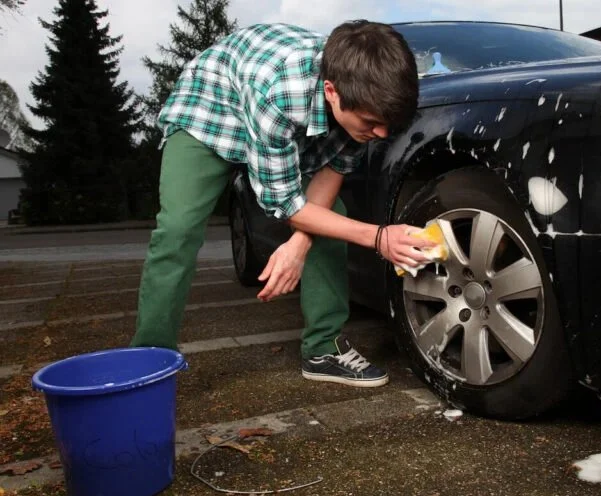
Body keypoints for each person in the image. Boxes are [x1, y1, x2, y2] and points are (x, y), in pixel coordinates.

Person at [129, 20, 436, 388]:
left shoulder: (363, 90)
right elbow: (285, 203)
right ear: (331, 91)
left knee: (332, 215)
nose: (381, 134)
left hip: (276, 111)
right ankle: (150, 357)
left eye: (388, 125)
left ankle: (323, 349)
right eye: (371, 123)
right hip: (209, 112)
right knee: (177, 229)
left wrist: (298, 245)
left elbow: (333, 171)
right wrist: (379, 237)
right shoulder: (278, 91)